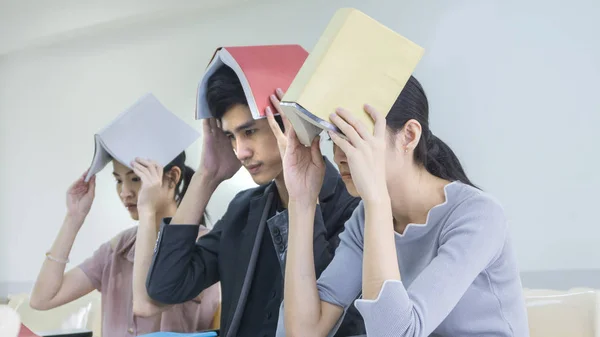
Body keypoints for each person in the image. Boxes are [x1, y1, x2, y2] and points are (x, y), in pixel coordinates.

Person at [276, 76, 530, 337]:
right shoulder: (363, 221)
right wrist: (302, 202)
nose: (340, 156)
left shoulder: (478, 216)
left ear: (408, 136)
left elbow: (397, 333)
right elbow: (303, 332)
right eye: (335, 139)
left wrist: (376, 200)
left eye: (357, 136)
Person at [145, 65, 365, 337]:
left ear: (290, 122)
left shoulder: (354, 211)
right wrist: (206, 176)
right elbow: (165, 286)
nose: (240, 151)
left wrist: (303, 203)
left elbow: (332, 323)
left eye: (249, 132)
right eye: (230, 137)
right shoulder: (243, 209)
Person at [30, 152, 220, 337]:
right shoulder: (118, 248)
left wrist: (147, 210)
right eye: (118, 180)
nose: (124, 192)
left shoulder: (205, 248)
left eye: (136, 179)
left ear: (172, 178)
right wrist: (74, 217)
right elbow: (42, 299)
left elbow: (145, 304)